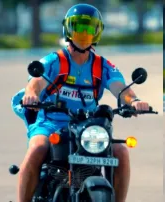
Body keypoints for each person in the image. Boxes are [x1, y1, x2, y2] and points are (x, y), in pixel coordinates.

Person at [11, 4, 150, 202]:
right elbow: (35, 83)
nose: (84, 33)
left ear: (97, 32)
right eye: (78, 27)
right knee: (38, 148)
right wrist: (31, 96)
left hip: (87, 127)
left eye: (89, 28)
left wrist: (134, 101)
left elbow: (121, 88)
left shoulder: (102, 65)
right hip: (51, 124)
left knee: (121, 152)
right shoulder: (55, 60)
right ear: (68, 29)